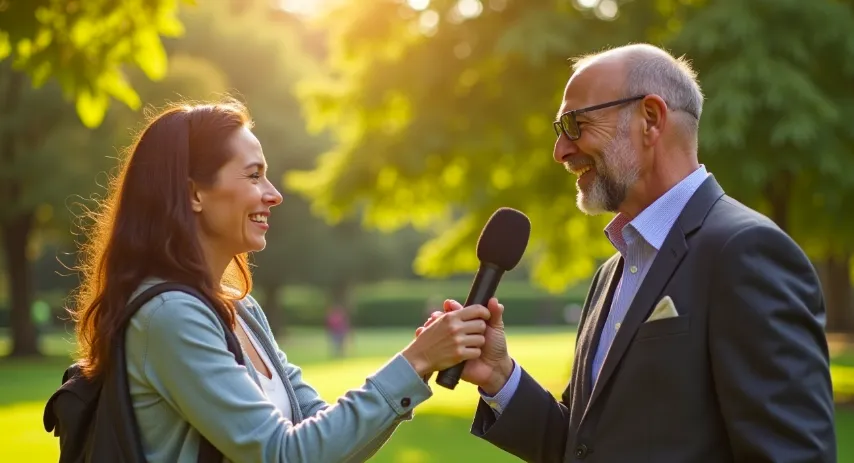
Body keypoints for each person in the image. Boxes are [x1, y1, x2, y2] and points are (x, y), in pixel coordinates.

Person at [424, 44, 837, 462]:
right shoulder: (612, 272)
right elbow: (582, 447)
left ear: (651, 120)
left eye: (575, 124)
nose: (561, 151)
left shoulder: (746, 251)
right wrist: (500, 377)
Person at [70, 99, 491, 462]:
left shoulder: (242, 309)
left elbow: (320, 441)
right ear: (194, 194)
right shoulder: (170, 316)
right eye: (254, 176)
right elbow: (281, 455)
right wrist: (416, 360)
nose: (274, 194)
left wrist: (419, 364)